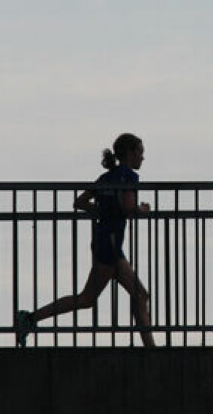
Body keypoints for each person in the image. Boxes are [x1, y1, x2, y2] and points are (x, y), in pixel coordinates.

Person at [15, 132, 155, 348]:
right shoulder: (129, 176)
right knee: (87, 299)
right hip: (110, 243)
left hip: (106, 240)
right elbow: (128, 207)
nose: (143, 158)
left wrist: (103, 210)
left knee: (140, 295)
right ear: (130, 153)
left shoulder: (106, 177)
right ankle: (28, 319)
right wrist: (142, 210)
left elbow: (80, 202)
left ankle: (151, 349)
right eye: (141, 153)